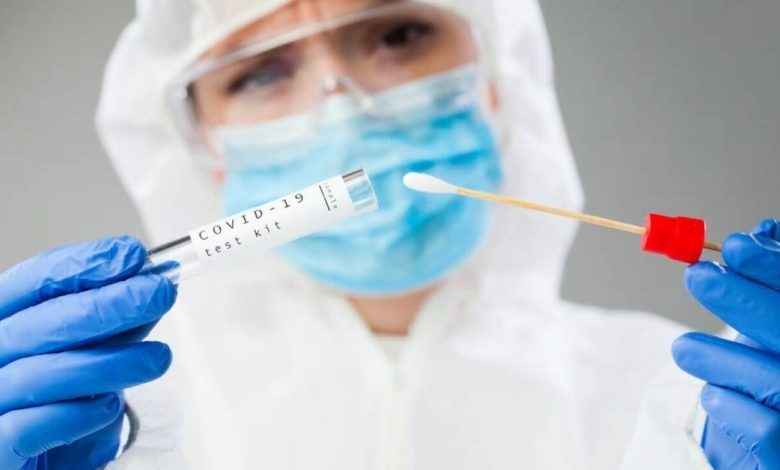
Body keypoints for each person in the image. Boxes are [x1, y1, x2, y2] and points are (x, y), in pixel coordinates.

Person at [0, 0, 777, 468]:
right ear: (200, 144)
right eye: (261, 73)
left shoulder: (688, 397)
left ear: (497, 69)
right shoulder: (115, 413)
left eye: (398, 33)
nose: (343, 105)